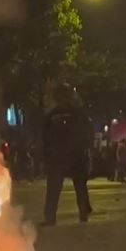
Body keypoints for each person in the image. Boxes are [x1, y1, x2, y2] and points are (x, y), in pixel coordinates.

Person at [41, 83, 93, 225]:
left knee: (55, 186)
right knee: (79, 184)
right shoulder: (78, 113)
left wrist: (46, 155)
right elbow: (87, 132)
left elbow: (45, 137)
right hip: (74, 153)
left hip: (59, 155)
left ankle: (50, 215)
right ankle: (83, 211)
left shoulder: (52, 115)